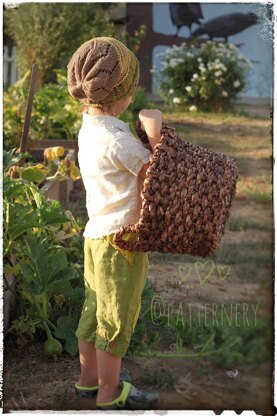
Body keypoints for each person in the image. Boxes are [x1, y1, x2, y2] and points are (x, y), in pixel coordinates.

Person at [67, 37, 162, 410]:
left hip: (96, 236)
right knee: (116, 316)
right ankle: (110, 392)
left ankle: (88, 380)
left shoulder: (90, 129)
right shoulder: (117, 139)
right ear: (121, 95)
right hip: (122, 240)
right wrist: (153, 131)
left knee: (94, 308)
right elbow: (155, 172)